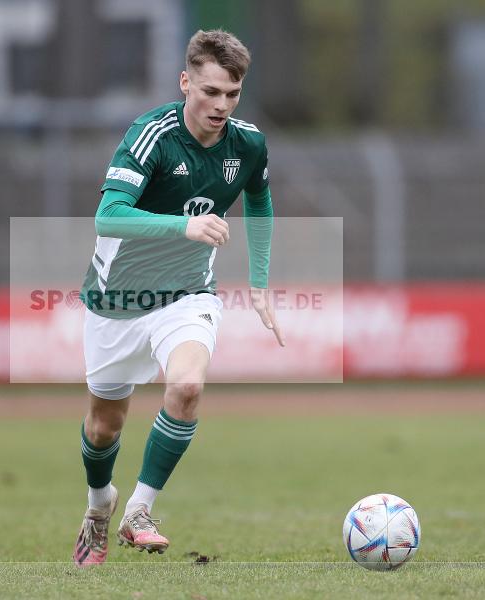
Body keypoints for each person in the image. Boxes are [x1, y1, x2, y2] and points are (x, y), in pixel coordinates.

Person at [73, 29, 284, 567]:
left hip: (186, 295)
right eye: (210, 91)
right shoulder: (151, 134)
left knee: (186, 387)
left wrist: (259, 282)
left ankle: (139, 511)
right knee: (104, 427)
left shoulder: (248, 143)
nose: (221, 105)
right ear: (185, 81)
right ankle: (100, 505)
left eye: (232, 94)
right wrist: (181, 227)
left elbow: (258, 201)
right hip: (118, 299)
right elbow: (108, 214)